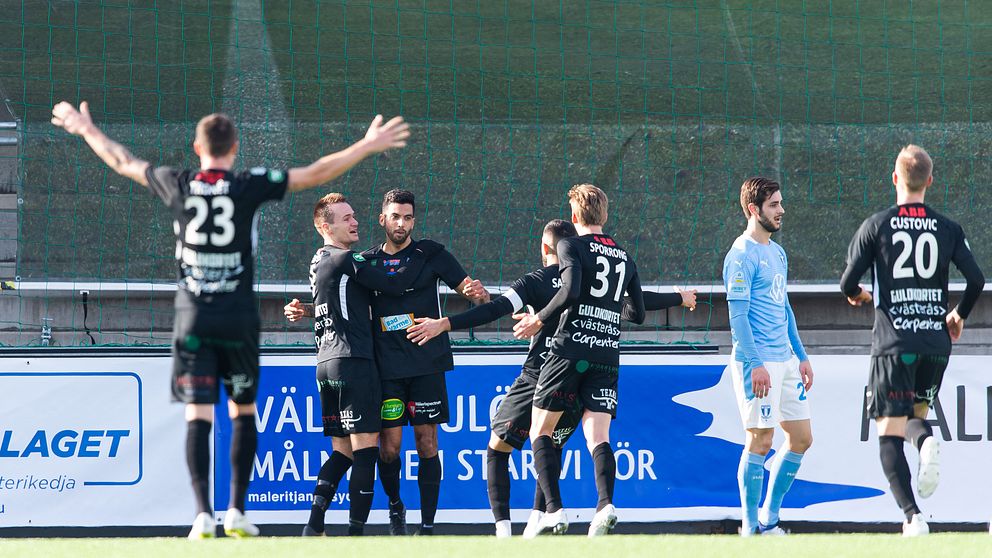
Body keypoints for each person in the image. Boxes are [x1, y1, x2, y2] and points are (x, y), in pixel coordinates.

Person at [51, 101, 409, 538]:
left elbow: (123, 161)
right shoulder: (246, 185)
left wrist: (85, 128)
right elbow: (314, 173)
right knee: (243, 411)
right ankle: (237, 510)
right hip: (238, 318)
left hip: (194, 318)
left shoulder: (178, 182)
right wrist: (367, 145)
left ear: (197, 146)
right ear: (234, 149)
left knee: (198, 415)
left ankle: (203, 513)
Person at [407, 220, 697, 538]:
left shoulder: (537, 280)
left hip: (540, 374)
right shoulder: (589, 278)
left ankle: (506, 532)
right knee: (553, 445)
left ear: (546, 248)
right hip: (582, 375)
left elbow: (495, 309)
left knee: (498, 448)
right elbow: (639, 300)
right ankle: (539, 517)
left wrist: (445, 323)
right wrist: (678, 298)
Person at [840, 145, 984, 536]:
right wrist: (958, 315)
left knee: (889, 428)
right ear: (930, 181)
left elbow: (847, 282)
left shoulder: (877, 225)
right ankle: (925, 445)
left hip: (894, 344)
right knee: (915, 419)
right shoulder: (948, 228)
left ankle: (912, 516)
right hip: (935, 344)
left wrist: (859, 295)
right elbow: (976, 280)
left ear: (894, 178)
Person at [285, 193, 440, 536]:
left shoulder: (318, 260)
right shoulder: (348, 259)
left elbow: (341, 306)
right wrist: (427, 257)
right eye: (346, 219)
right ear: (325, 227)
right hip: (353, 361)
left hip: (325, 365)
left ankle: (314, 524)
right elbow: (395, 285)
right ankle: (356, 534)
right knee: (367, 451)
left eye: (354, 216)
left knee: (342, 453)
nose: (355, 222)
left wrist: (304, 310)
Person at [513, 184, 645, 537]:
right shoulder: (624, 256)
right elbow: (638, 312)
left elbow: (569, 291)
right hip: (606, 351)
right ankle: (605, 505)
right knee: (598, 436)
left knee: (540, 431)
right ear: (604, 214)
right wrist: (607, 306)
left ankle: (553, 511)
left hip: (570, 349)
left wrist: (538, 318)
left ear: (574, 217)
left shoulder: (569, 244)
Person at [364, 189, 487, 535]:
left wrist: (476, 292)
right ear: (382, 219)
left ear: (413, 221)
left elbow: (468, 288)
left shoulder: (431, 253)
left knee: (426, 443)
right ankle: (394, 507)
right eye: (394, 216)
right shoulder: (368, 261)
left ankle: (428, 526)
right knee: (387, 449)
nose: (401, 223)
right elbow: (345, 304)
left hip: (426, 364)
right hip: (386, 367)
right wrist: (309, 310)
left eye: (407, 217)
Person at [722, 176, 813, 537]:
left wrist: (801, 356)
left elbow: (784, 307)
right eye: (774, 205)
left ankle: (770, 518)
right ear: (753, 209)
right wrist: (755, 362)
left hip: (786, 360)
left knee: (802, 437)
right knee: (760, 440)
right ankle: (749, 526)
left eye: (780, 203)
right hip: (756, 361)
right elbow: (738, 318)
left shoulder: (777, 253)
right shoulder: (741, 255)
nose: (781, 210)